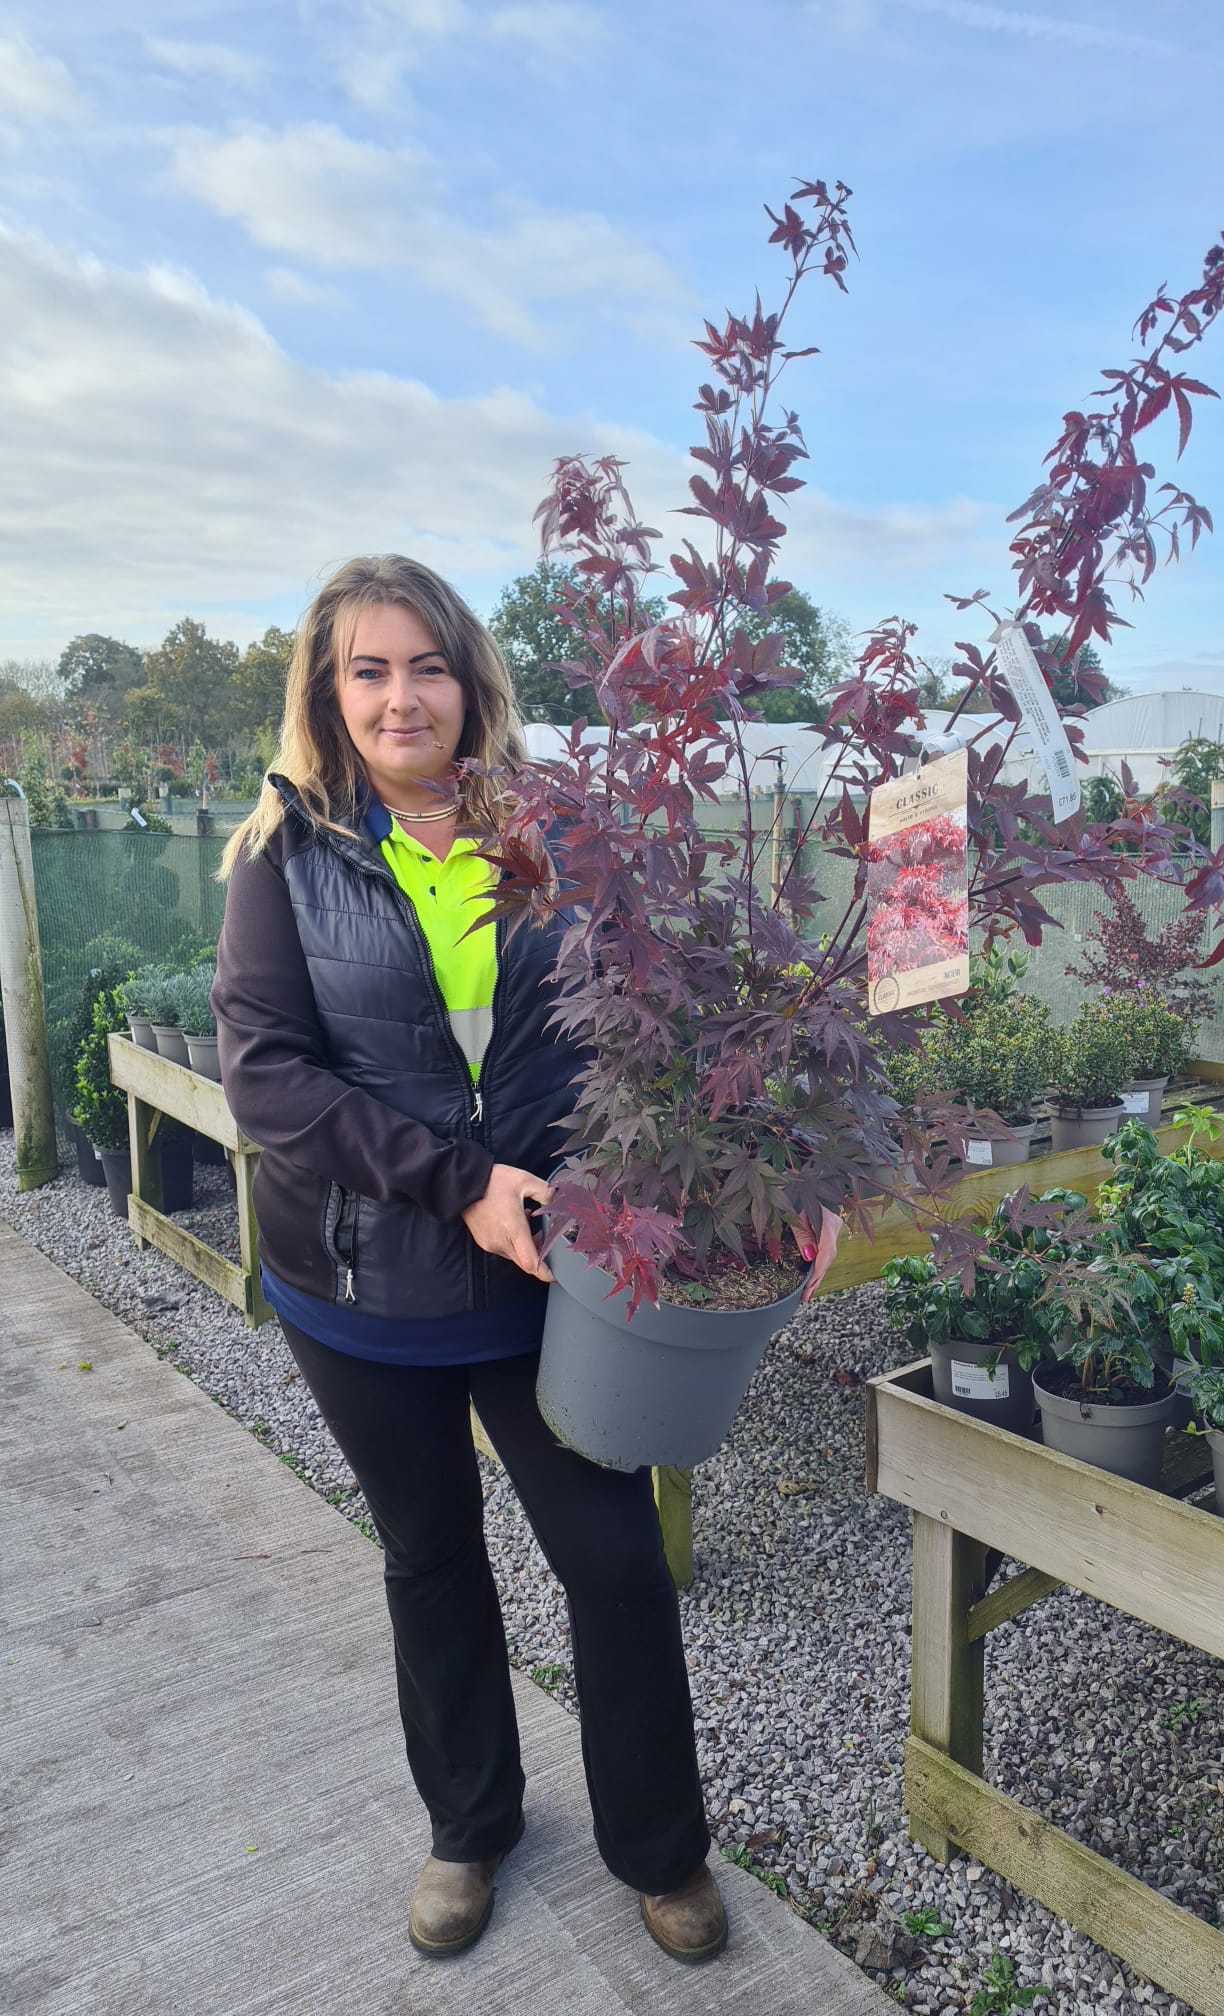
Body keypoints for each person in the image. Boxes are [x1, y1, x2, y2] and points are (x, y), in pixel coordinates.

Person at [212, 553, 728, 1964]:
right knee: (430, 1557)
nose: (400, 695)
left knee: (612, 1559)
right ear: (329, 689)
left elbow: (636, 1020)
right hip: (364, 1288)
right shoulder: (288, 852)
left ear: (469, 678)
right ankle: (470, 1825)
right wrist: (458, 1185)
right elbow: (265, 1077)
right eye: (368, 669)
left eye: (425, 664)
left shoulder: (549, 830)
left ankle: (659, 1848)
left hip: (546, 1283)